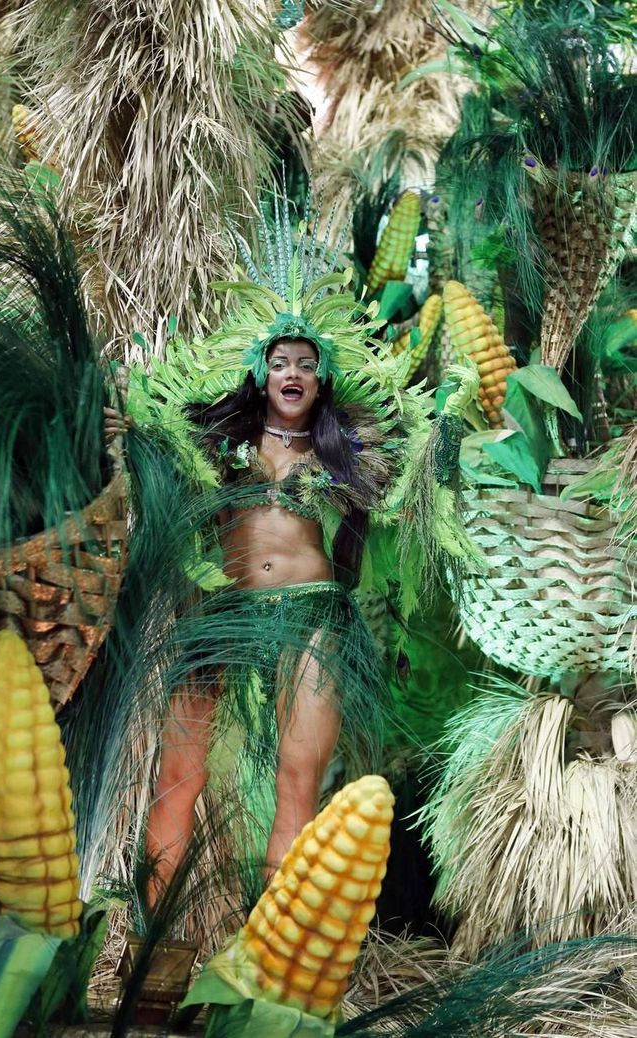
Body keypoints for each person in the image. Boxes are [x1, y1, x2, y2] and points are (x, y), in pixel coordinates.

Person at [130, 194, 479, 902]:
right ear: (262, 369)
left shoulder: (346, 450)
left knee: (298, 779)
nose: (294, 372)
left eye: (307, 364)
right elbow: (154, 435)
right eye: (281, 360)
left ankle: (269, 955)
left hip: (314, 615)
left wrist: (444, 426)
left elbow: (409, 490)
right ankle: (154, 943)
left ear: (321, 379)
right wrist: (120, 424)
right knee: (180, 774)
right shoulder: (217, 439)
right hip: (223, 611)